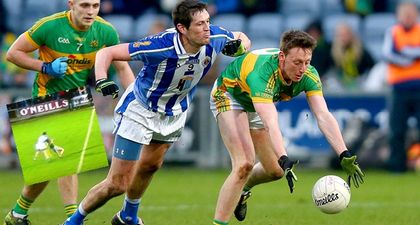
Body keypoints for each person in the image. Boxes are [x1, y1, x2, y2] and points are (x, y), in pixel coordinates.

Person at [63, 1, 251, 225]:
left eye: (208, 22)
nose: (207, 28)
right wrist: (103, 79)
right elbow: (107, 52)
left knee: (150, 166)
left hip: (173, 112)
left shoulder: (214, 37)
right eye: (200, 24)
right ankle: (73, 221)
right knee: (117, 184)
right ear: (182, 28)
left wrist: (239, 46)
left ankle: (127, 217)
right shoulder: (159, 45)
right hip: (140, 110)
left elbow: (242, 37)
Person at [209, 30, 365, 224]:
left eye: (307, 62)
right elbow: (270, 119)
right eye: (297, 62)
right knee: (244, 165)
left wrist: (344, 153)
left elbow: (323, 115)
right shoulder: (263, 72)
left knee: (275, 171)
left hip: (256, 102)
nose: (302, 68)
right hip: (229, 95)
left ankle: (242, 190)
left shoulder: (309, 74)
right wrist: (284, 156)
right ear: (282, 57)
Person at [4, 0, 134, 224]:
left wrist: (133, 98)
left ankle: (17, 213)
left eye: (95, 5)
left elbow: (122, 67)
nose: (91, 11)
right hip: (45, 97)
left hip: (77, 99)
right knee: (67, 161)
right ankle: (72, 218)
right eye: (85, 5)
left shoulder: (105, 31)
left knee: (48, 166)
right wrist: (45, 67)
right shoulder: (49, 26)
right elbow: (13, 54)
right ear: (71, 4)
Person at [383, 2, 420, 173]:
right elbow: (387, 54)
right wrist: (410, 57)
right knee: (397, 131)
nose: (407, 17)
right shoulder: (393, 32)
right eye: (404, 14)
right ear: (398, 15)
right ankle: (397, 167)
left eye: (410, 14)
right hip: (399, 89)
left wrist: (405, 52)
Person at [329, 22, 375, 91]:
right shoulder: (332, 51)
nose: (343, 38)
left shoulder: (361, 49)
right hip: (341, 83)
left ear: (351, 35)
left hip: (360, 81)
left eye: (345, 34)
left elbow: (371, 66)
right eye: (340, 35)